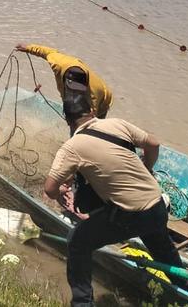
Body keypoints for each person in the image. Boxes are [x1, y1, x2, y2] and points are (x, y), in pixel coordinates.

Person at [44, 91, 181, 307]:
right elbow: (153, 144)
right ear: (91, 111)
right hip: (157, 205)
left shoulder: (73, 146)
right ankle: (185, 294)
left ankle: (82, 304)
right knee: (164, 251)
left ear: (68, 121)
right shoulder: (118, 124)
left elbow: (50, 188)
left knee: (77, 241)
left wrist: (61, 195)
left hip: (131, 217)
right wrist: (146, 168)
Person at [14, 42, 113, 118]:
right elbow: (47, 52)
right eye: (72, 89)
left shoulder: (92, 96)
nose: (74, 92)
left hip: (102, 103)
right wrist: (28, 48)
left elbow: (89, 120)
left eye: (78, 90)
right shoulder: (59, 63)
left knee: (87, 129)